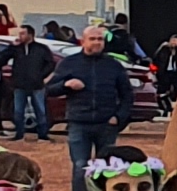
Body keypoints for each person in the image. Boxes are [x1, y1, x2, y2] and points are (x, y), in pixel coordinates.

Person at [51, 25, 135, 176]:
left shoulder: (113, 65)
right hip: (79, 123)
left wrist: (119, 117)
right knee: (80, 166)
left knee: (107, 168)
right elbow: (49, 89)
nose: (97, 42)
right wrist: (66, 85)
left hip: (106, 124)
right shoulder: (69, 63)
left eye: (100, 39)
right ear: (83, 42)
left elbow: (127, 95)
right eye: (92, 39)